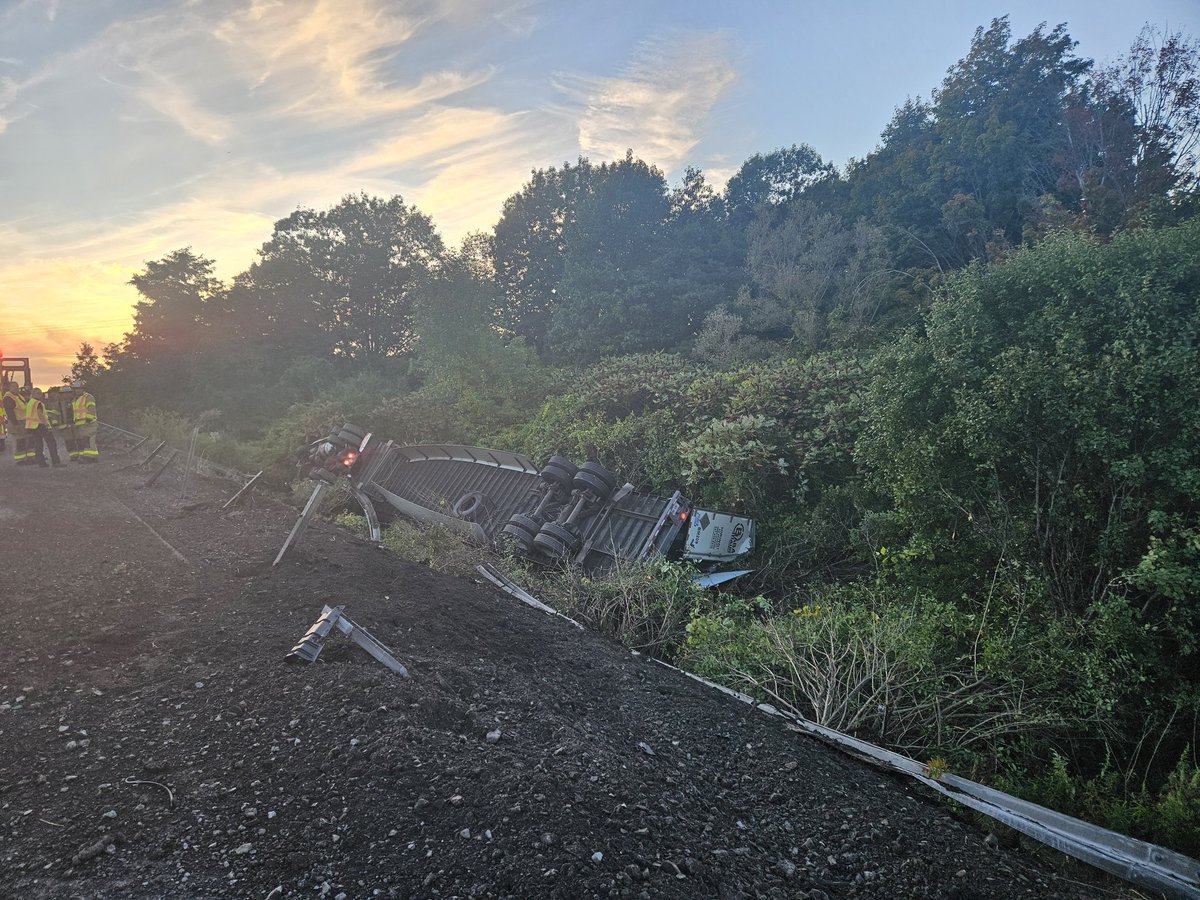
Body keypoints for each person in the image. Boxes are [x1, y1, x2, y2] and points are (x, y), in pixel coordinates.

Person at [26, 387, 62, 467]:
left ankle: (41, 463)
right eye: (38, 393)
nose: (40, 395)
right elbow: (40, 415)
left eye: (40, 393)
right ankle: (56, 462)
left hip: (32, 427)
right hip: (40, 425)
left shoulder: (30, 403)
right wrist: (47, 425)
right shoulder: (38, 403)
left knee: (38, 445)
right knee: (51, 443)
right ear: (33, 394)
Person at [70, 380, 99, 463]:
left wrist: (88, 419)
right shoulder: (75, 399)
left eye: (79, 388)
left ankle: (90, 457)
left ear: (82, 388)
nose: (77, 390)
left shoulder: (88, 397)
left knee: (88, 440)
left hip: (88, 423)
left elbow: (91, 408)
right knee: (86, 441)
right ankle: (89, 456)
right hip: (81, 424)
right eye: (76, 389)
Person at [4, 381, 32, 465]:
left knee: (26, 440)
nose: (16, 388)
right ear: (9, 387)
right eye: (14, 387)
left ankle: (28, 458)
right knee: (19, 441)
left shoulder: (18, 396)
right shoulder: (8, 397)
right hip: (16, 422)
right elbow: (10, 412)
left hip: (23, 422)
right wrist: (15, 424)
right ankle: (20, 460)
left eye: (17, 386)